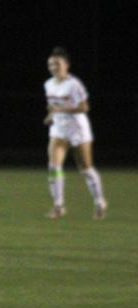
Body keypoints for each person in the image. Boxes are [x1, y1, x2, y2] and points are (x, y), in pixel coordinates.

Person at [43, 47, 107, 219]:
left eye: (57, 63)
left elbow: (84, 107)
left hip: (78, 130)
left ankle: (99, 201)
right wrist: (51, 115)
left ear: (66, 65)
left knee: (85, 168)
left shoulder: (74, 84)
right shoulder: (48, 84)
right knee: (53, 166)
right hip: (59, 129)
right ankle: (58, 205)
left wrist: (61, 109)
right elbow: (54, 106)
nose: (54, 67)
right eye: (51, 64)